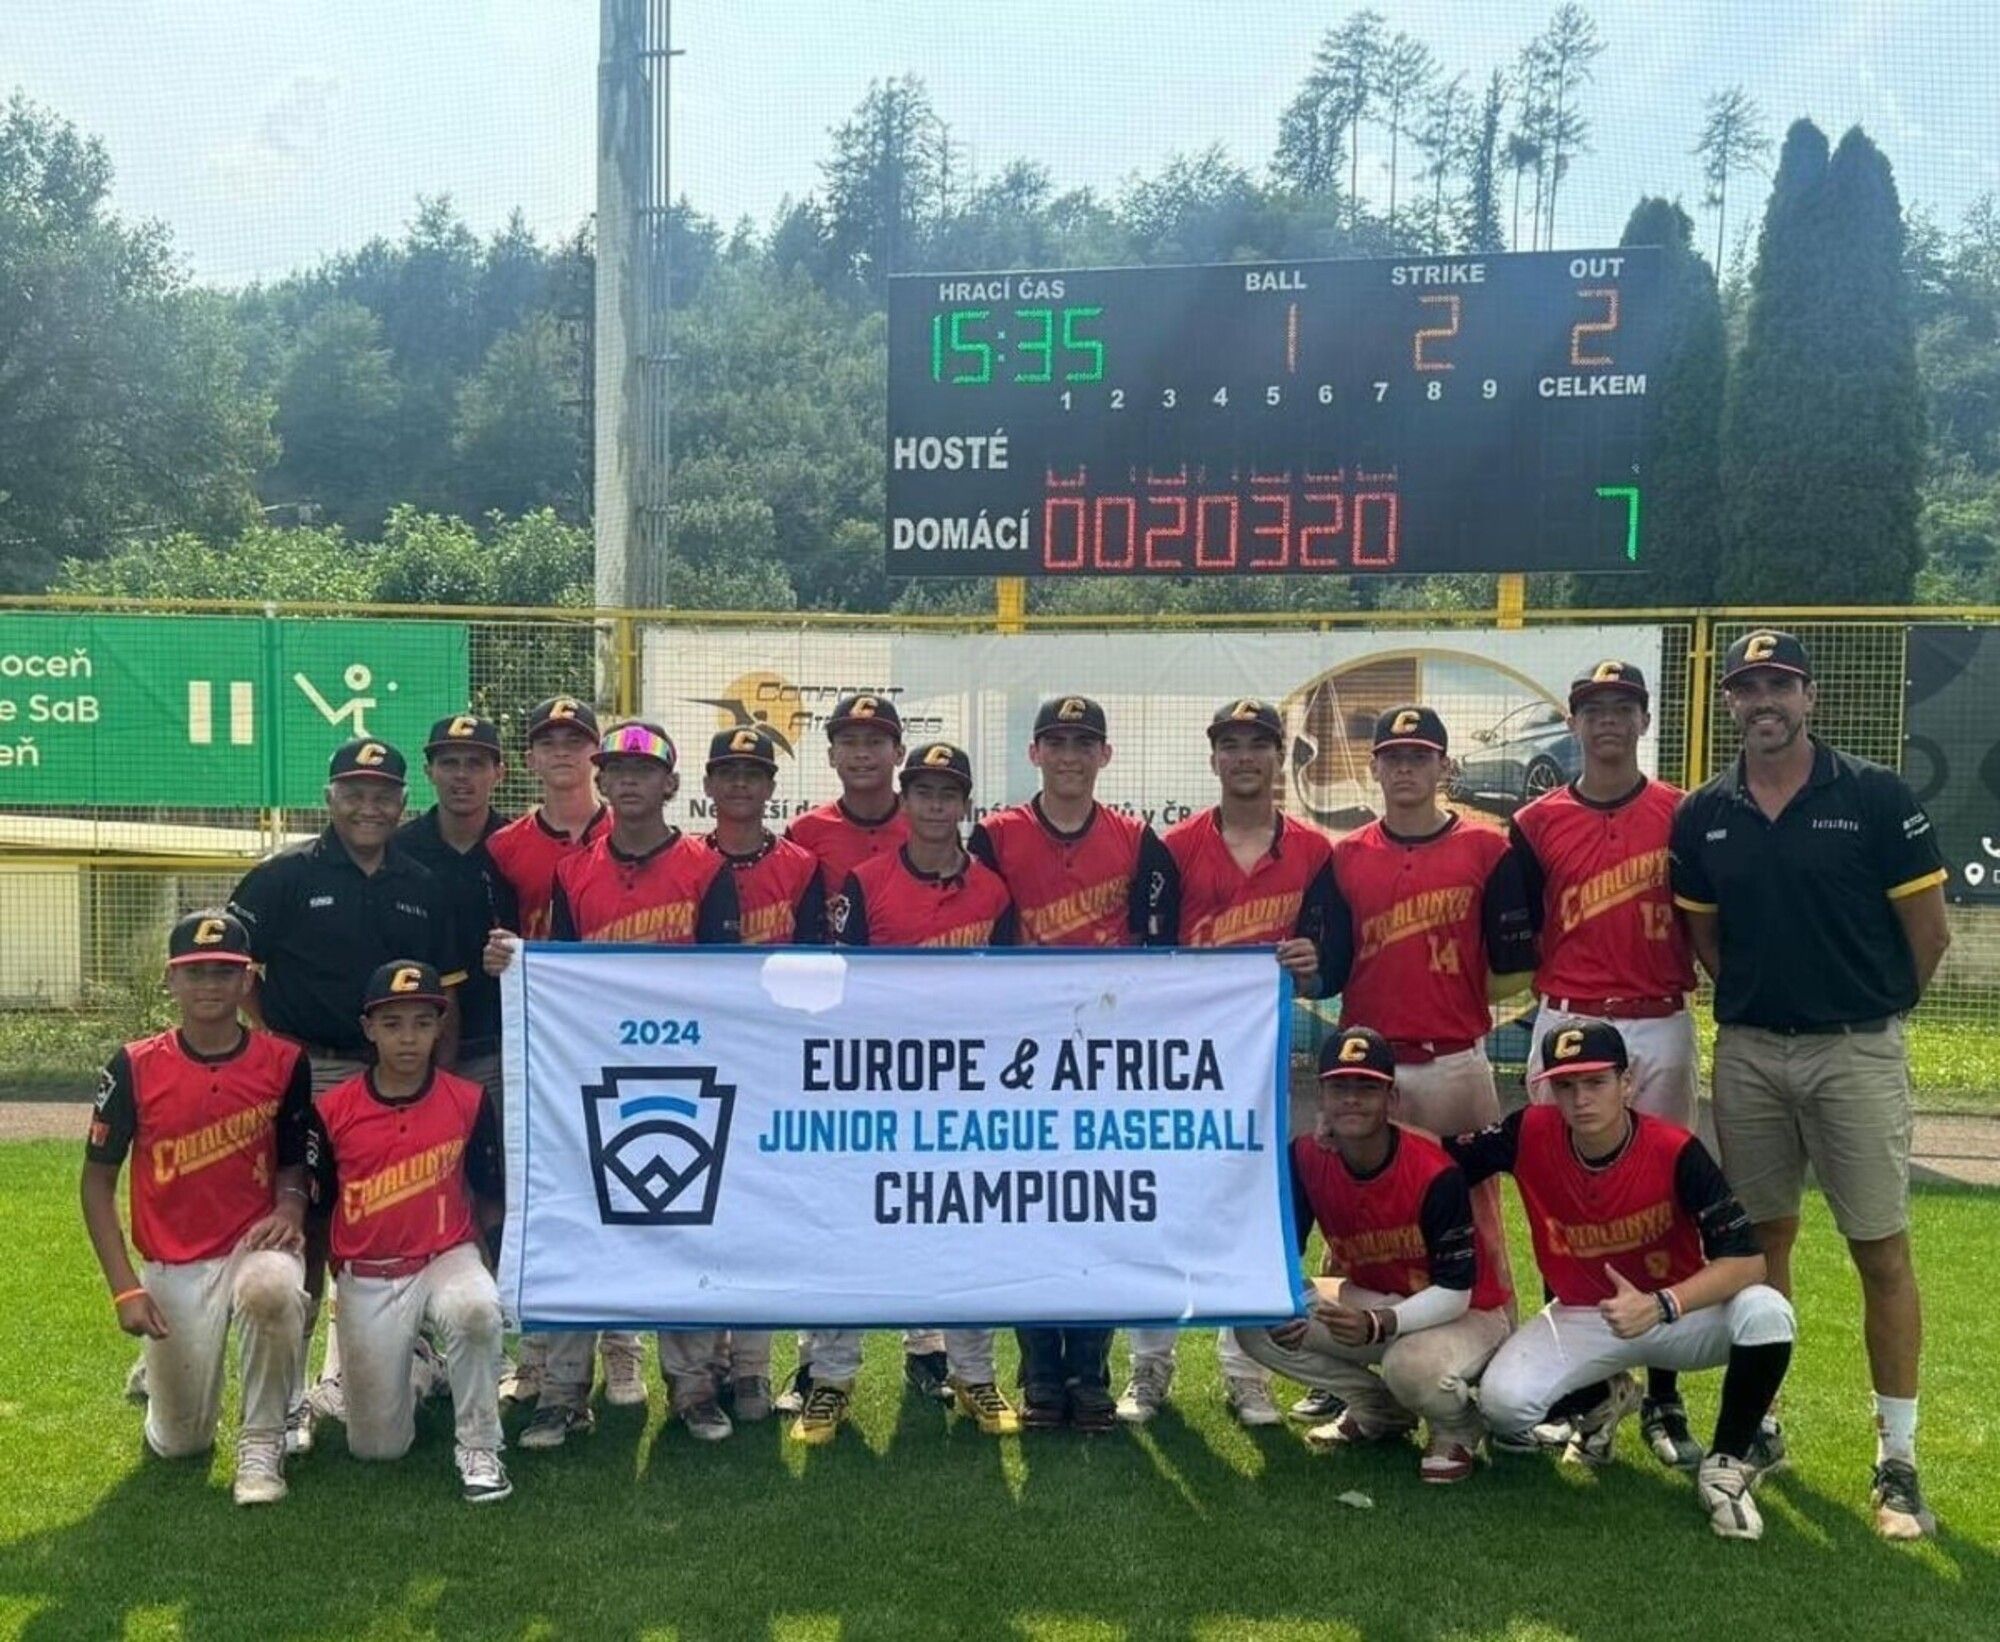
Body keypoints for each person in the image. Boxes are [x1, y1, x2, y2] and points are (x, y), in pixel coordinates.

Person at [1670, 629, 1951, 1540]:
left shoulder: (1872, 795)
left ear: (1810, 696)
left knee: (1879, 1248)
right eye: (1748, 688)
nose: (1765, 702)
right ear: (1729, 702)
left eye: (1780, 686)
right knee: (1763, 1249)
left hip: (1854, 1049)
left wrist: (1867, 1010)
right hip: (1750, 1051)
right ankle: (1763, 1427)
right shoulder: (1705, 811)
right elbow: (1707, 942)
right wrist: (1761, 1007)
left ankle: (1897, 1459)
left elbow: (1928, 933)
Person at [488, 720, 743, 1449]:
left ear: (670, 784)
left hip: (685, 1068)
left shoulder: (704, 865)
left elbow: (724, 981)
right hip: (592, 1070)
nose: (628, 782)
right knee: (577, 1222)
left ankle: (694, 1389)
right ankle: (564, 1394)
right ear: (601, 782)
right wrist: (521, 962)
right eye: (616, 771)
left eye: (644, 771)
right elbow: (561, 973)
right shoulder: (574, 871)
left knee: (683, 1222)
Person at [1448, 1021, 1796, 1541]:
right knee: (1503, 1407)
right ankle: (1603, 1399)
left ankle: (1724, 1464)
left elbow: (1748, 1263)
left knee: (1766, 1311)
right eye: (1565, 1086)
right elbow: (1441, 1156)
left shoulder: (1675, 1149)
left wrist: (1662, 1305)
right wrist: (1356, 1131)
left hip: (1678, 1312)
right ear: (1547, 1090)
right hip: (1587, 1314)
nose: (1580, 1099)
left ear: (1627, 1083)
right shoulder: (1529, 1132)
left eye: (1595, 1083)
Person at [226, 737, 466, 1441]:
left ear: (402, 802)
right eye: (354, 792)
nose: (369, 806)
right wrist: (279, 1045)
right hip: (313, 1072)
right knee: (307, 1227)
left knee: (395, 1219)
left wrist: (437, 1084)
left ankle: (403, 1366)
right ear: (329, 797)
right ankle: (288, 1397)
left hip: (399, 1079)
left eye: (383, 793)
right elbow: (232, 964)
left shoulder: (423, 884)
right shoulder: (286, 875)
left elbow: (446, 996)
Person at [1508, 660, 1704, 1469]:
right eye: (1594, 708)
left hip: (1657, 1021)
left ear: (1644, 719)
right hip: (1567, 1020)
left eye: (1623, 707)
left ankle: (1663, 1394)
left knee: (1666, 1208)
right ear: (1575, 723)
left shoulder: (1683, 814)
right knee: (1562, 1201)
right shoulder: (1535, 821)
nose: (1609, 721)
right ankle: (1586, 1387)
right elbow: (1514, 934)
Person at [968, 694, 1180, 1433]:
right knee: (1028, 1212)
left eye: (1083, 742)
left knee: (1096, 1212)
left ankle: (1089, 1371)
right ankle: (1040, 1373)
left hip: (1103, 1060)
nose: (1068, 755)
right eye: (1055, 741)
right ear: (1034, 753)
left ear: (1104, 756)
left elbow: (1161, 958)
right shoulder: (994, 836)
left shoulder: (1136, 838)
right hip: (1020, 1059)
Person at [1121, 698, 1331, 1430]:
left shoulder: (1313, 850)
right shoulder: (1171, 848)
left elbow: (1330, 962)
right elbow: (1144, 959)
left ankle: (1247, 1371)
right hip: (1174, 1064)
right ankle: (1149, 1367)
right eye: (1231, 745)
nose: (1245, 758)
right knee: (1158, 1205)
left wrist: (1311, 964)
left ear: (1281, 759)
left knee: (1248, 1213)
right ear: (1212, 759)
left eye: (1259, 745)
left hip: (1259, 1069)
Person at [809, 740, 1021, 1442]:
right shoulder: (866, 883)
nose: (935, 805)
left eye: (948, 793)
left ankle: (975, 1375)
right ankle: (832, 1379)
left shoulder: (992, 888)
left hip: (965, 1086)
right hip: (882, 1081)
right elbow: (842, 990)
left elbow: (1014, 992)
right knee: (851, 1231)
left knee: (968, 1232)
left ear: (966, 804)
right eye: (923, 792)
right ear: (907, 800)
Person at [80, 911, 312, 1506]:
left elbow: (292, 1160)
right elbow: (97, 1183)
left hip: (251, 1244)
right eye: (196, 971)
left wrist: (289, 1206)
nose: (210, 984)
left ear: (246, 982)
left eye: (225, 972)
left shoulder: (284, 1062)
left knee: (274, 1291)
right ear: (172, 980)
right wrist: (124, 1289)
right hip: (174, 1259)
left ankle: (262, 1442)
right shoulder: (133, 1065)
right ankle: (160, 1378)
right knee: (179, 1443)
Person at [1321, 705, 1533, 1315]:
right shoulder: (1347, 855)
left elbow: (1517, 962)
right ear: (1376, 767)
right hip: (1368, 1070)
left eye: (1419, 756)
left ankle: (1494, 1338)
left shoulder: (1486, 849)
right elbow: (1331, 964)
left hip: (1453, 1063)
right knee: (1356, 1215)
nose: (1406, 767)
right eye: (1394, 757)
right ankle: (1344, 1363)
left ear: (1443, 765)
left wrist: (1458, 995)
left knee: (1476, 1211)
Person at [1240, 1026, 1512, 1484]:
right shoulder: (1306, 1156)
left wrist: (1379, 1323)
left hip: (1469, 1313)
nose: (1352, 1099)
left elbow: (1456, 1291)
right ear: (1321, 1095)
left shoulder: (1433, 1170)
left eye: (1367, 1087)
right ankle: (1379, 1410)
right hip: (1374, 1299)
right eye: (1339, 1087)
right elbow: (1283, 1248)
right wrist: (1285, 1300)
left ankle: (1457, 1426)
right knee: (1256, 1323)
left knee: (1409, 1366)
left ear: (1393, 1100)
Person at [782, 693, 949, 1414]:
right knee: (840, 1199)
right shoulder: (806, 832)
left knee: (931, 1195)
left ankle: (930, 1344)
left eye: (875, 741)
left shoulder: (930, 823)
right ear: (830, 755)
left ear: (896, 754)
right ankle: (817, 1358)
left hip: (934, 1047)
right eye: (848, 740)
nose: (861, 753)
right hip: (840, 1041)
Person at [304, 961, 511, 1504]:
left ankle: (480, 1445)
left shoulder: (467, 1100)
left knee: (475, 1308)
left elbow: (488, 1194)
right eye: (392, 1023)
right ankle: (420, 1368)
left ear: (440, 1027)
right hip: (369, 1271)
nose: (408, 1037)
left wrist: (498, 1270)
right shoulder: (331, 1111)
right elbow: (319, 1209)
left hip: (447, 1254)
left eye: (422, 1022)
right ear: (369, 1028)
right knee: (377, 1448)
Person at [483, 696, 618, 1408]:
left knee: (619, 1185)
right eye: (549, 742)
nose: (563, 753)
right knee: (539, 1192)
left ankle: (620, 1346)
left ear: (598, 754)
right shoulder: (507, 847)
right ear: (530, 759)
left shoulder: (631, 830)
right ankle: (536, 1354)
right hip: (541, 1039)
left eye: (577, 740)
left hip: (618, 1038)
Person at [698, 723, 826, 1423]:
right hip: (703, 1054)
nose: (741, 784)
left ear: (772, 788)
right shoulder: (687, 861)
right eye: (729, 772)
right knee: (701, 1209)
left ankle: (750, 1366)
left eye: (754, 772)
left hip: (773, 1058)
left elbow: (816, 973)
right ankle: (706, 1362)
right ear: (709, 785)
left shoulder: (802, 865)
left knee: (759, 1214)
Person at [394, 714, 517, 1108]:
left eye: (476, 763)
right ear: (429, 771)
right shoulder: (396, 851)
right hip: (409, 1052)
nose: (461, 776)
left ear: (499, 772)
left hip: (499, 1050)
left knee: (497, 1168)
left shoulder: (518, 847)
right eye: (449, 763)